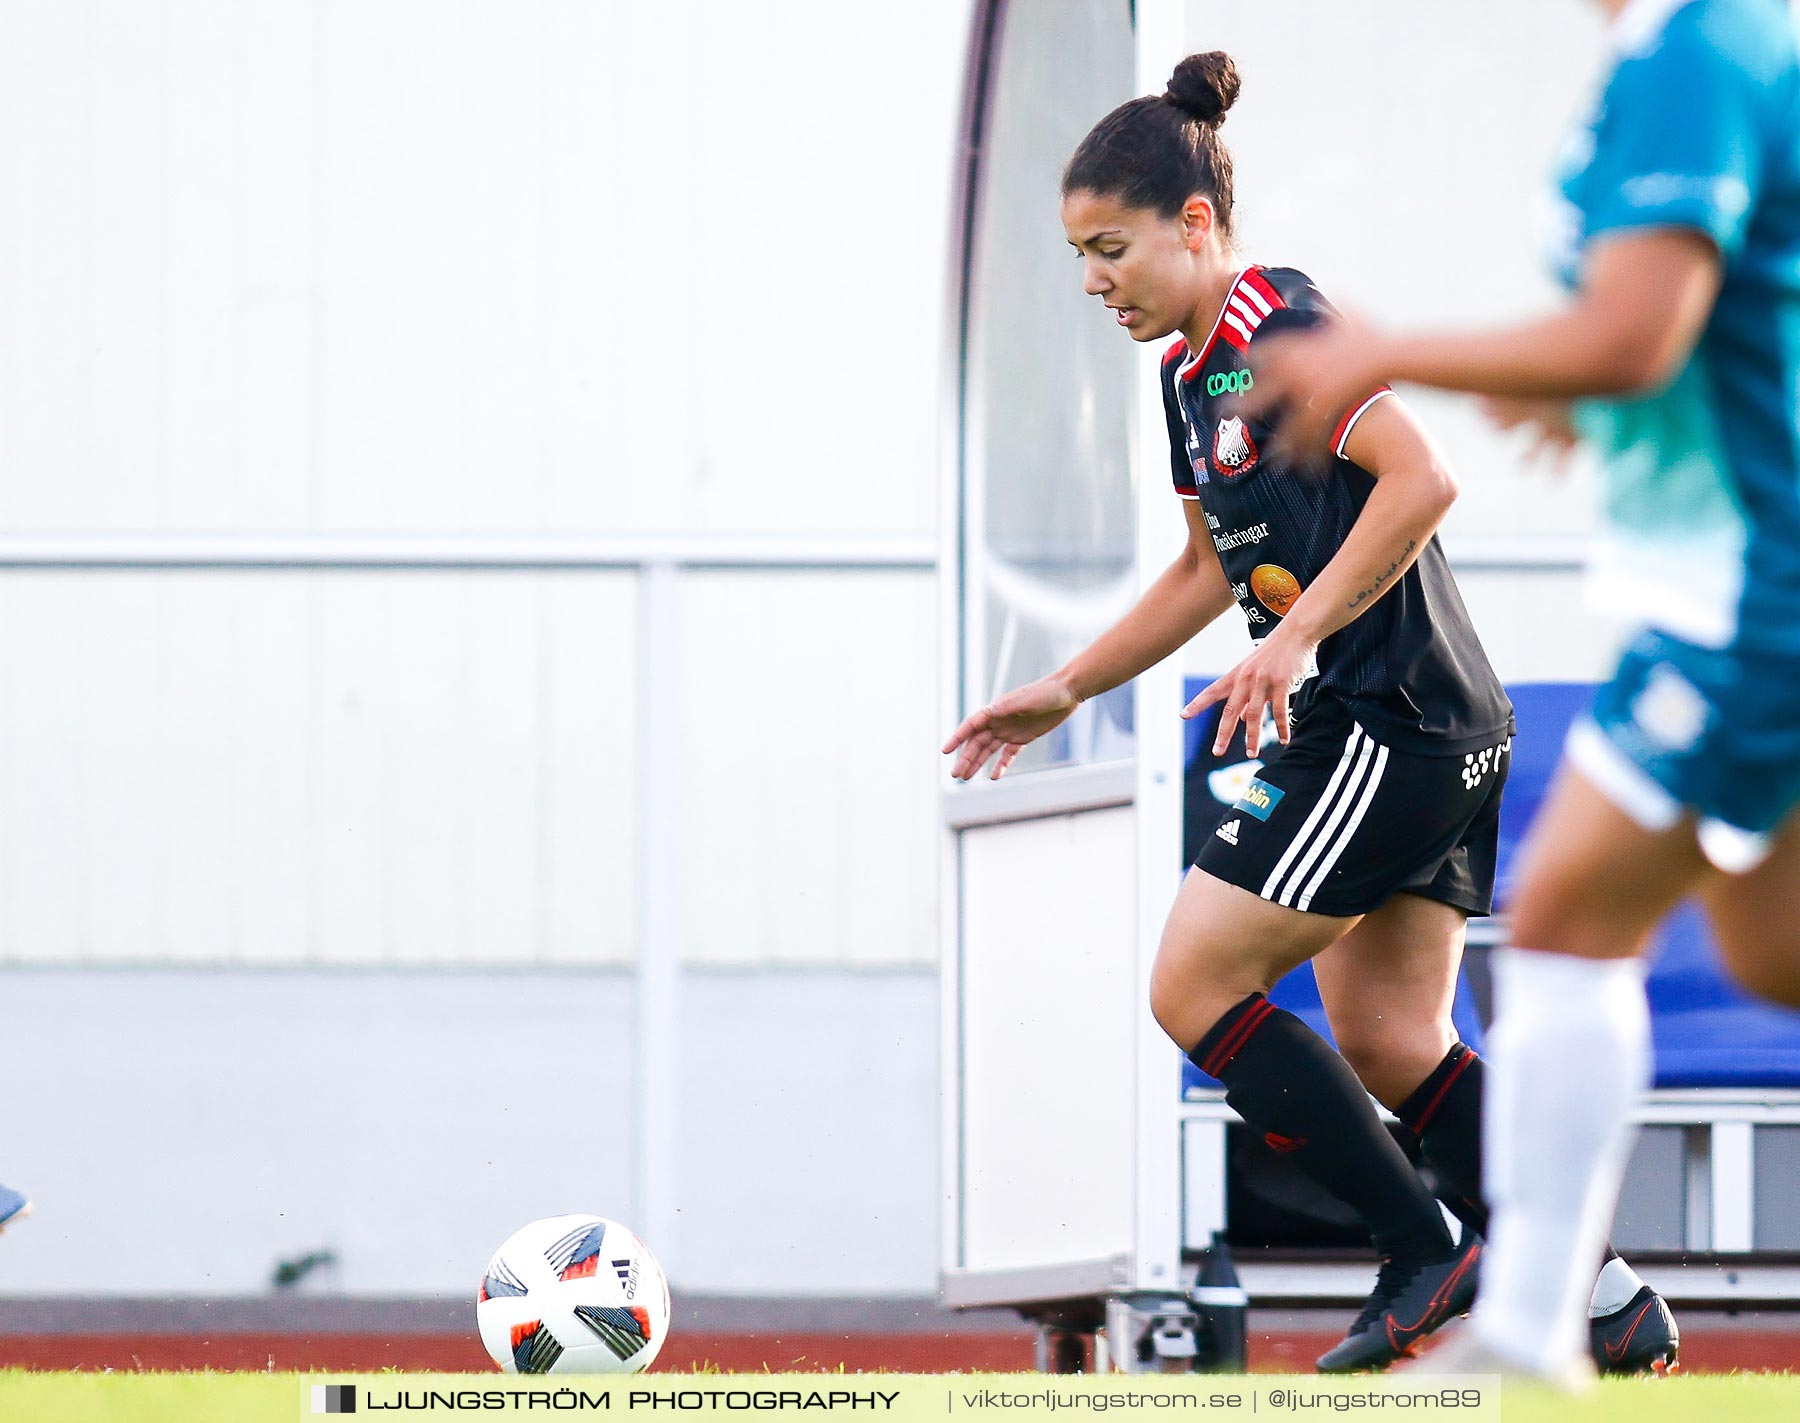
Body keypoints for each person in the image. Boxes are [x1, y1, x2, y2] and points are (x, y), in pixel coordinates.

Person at [941, 49, 1671, 1374]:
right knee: (1394, 1040)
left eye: (1111, 247)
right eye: (1078, 255)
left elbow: (1422, 480)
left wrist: (1298, 644)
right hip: (1428, 722)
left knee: (1192, 983)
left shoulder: (1278, 321)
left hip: (1388, 722)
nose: (1093, 279)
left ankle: (1418, 1245)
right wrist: (1069, 685)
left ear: (1198, 224)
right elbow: (1207, 572)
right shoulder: (1187, 383)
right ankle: (1609, 1298)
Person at [1247, 0, 1800, 1385]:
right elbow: (1686, 332)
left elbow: (1634, 336)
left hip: (1754, 599)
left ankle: (1536, 1334)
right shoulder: (1673, 56)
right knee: (1762, 953)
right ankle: (1542, 1329)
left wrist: (1386, 352)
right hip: (1721, 593)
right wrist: (1601, 403)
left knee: (1565, 925)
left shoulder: (1702, 48)